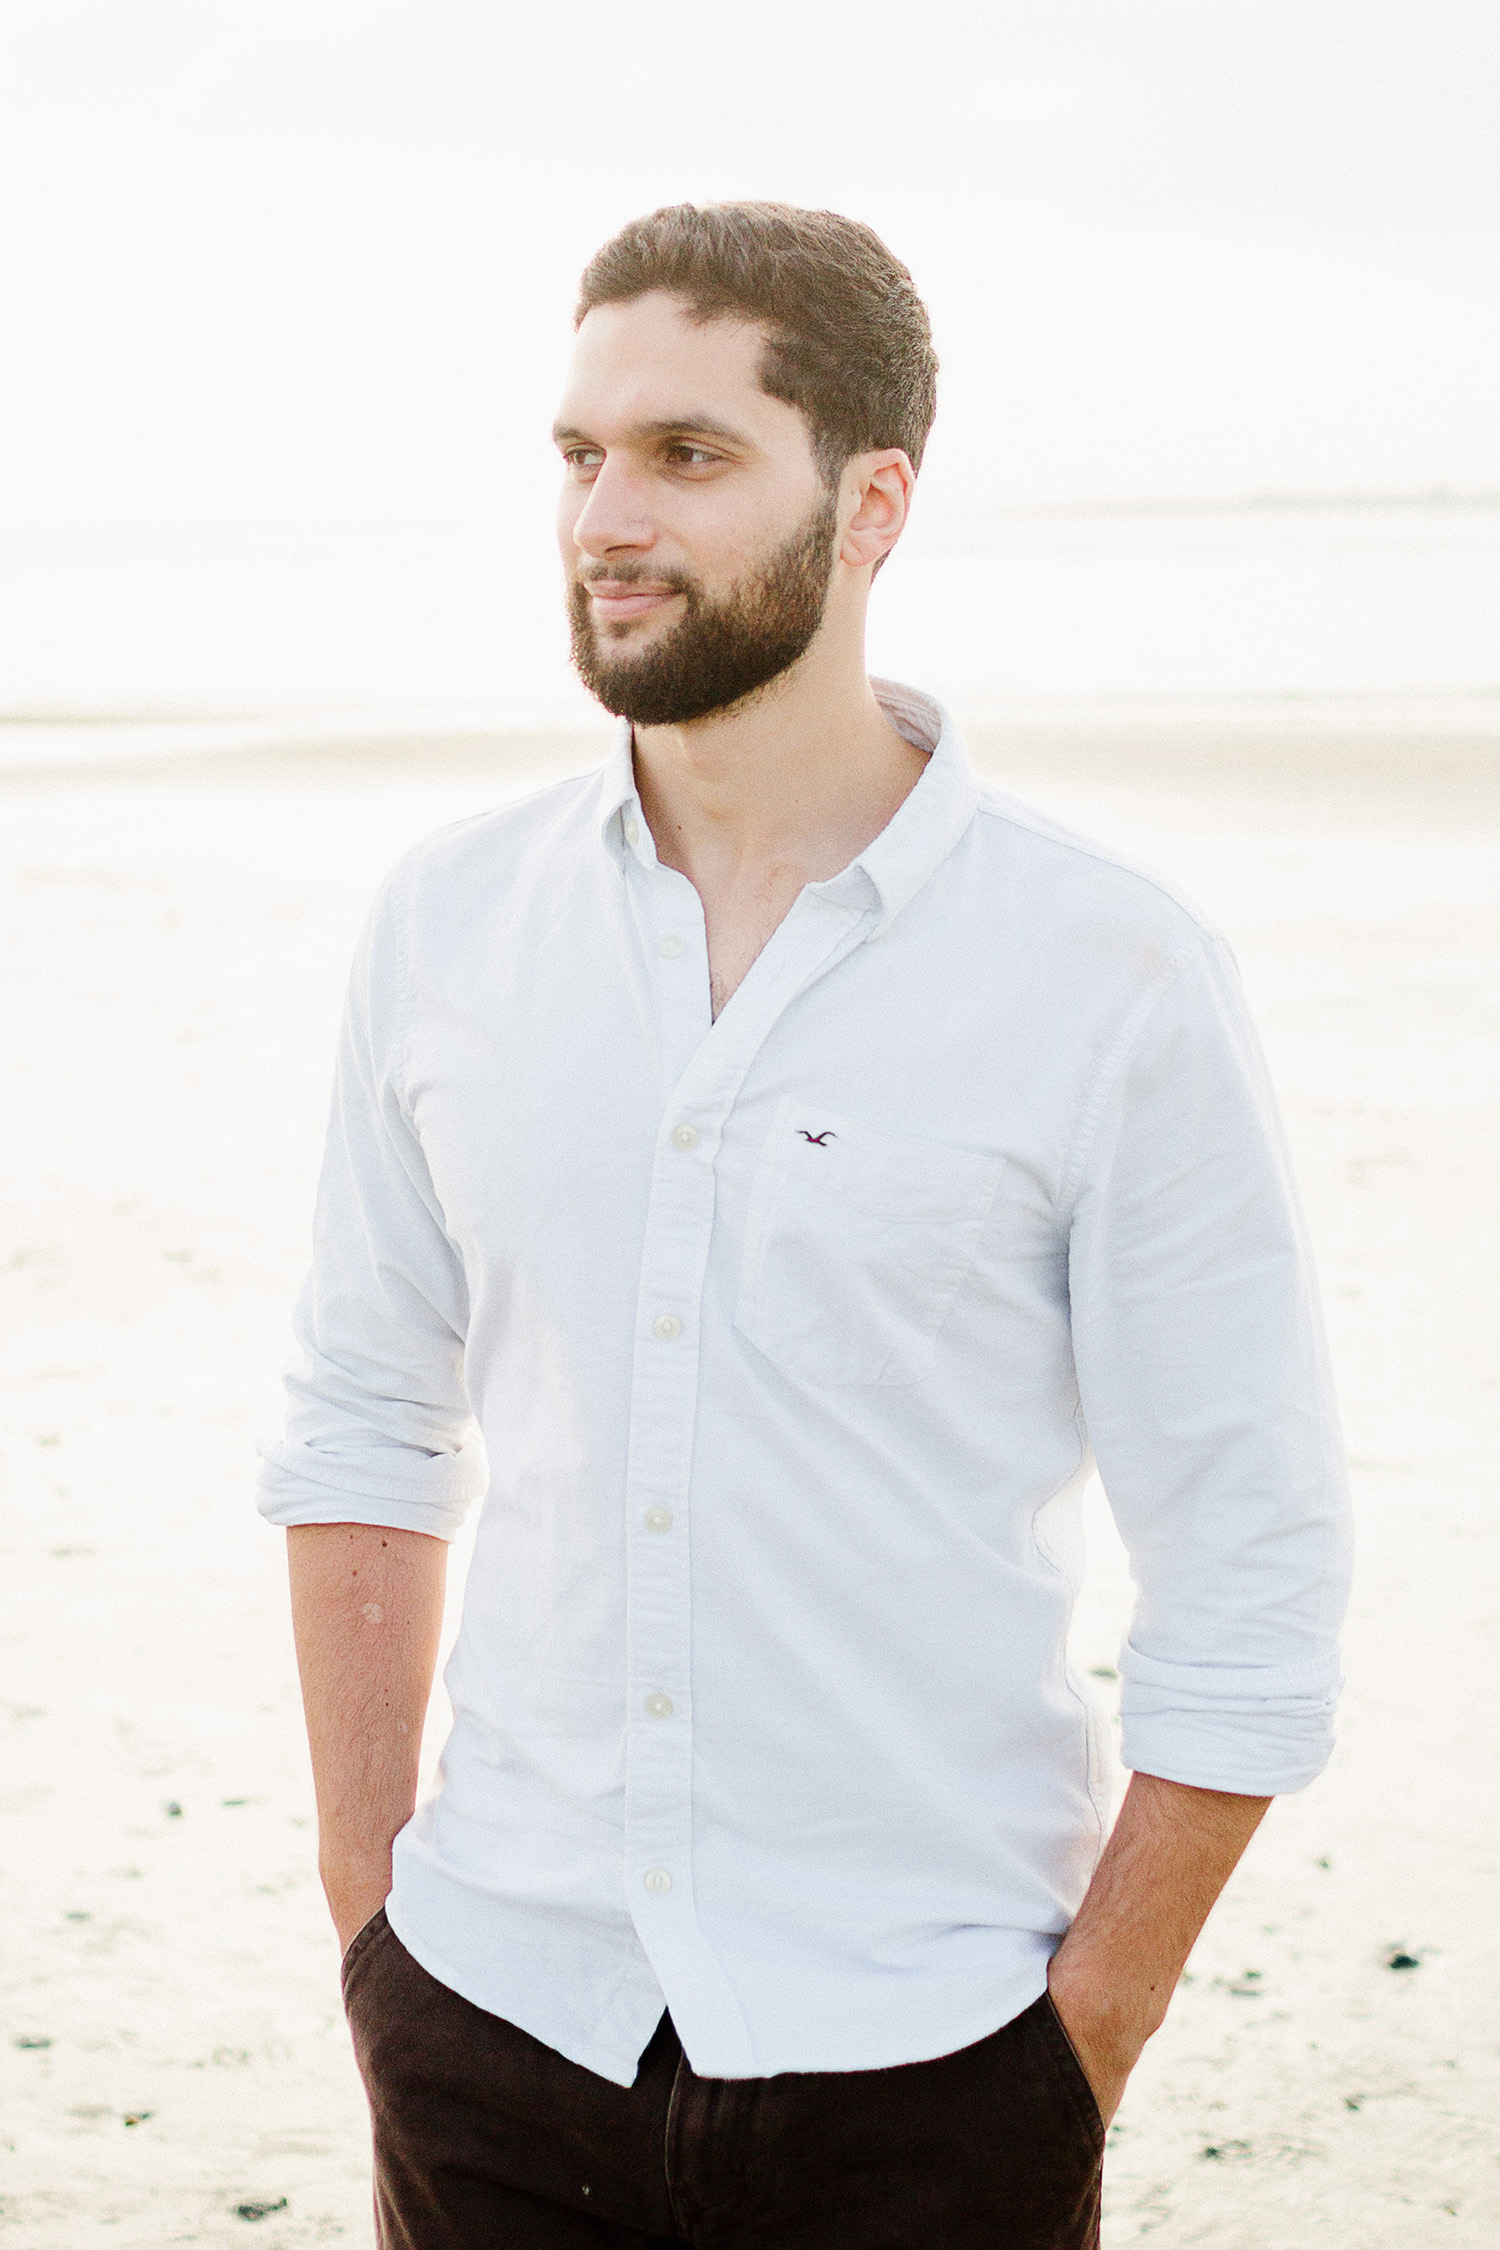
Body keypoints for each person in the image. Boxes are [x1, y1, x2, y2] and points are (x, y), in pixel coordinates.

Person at [259, 202, 1353, 2250]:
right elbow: (359, 1424)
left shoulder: (1106, 968)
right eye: (579, 454)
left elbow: (1253, 1556)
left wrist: (1085, 2041)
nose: (608, 514)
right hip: (496, 2023)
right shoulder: (450, 927)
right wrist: (373, 1919)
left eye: (687, 454)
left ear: (874, 503)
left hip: (933, 2064)